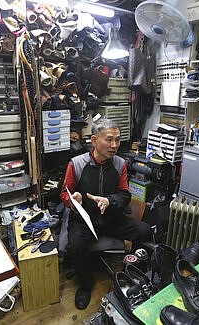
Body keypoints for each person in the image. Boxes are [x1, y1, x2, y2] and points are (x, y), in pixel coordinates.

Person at [60, 118, 152, 310]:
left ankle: (135, 273)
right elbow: (64, 193)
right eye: (109, 140)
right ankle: (86, 284)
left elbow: (125, 195)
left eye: (117, 140)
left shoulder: (120, 164)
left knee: (144, 231)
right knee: (75, 246)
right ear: (94, 140)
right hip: (84, 220)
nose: (115, 145)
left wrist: (110, 201)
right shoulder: (76, 164)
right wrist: (73, 201)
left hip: (111, 217)